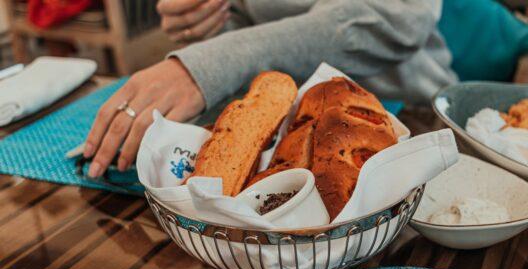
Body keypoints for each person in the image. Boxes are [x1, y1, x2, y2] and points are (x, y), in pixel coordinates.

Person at [83, 0, 457, 178]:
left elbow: (395, 19)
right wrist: (204, 22)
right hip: (283, 132)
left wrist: (212, 61)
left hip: (412, 123)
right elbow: (253, 28)